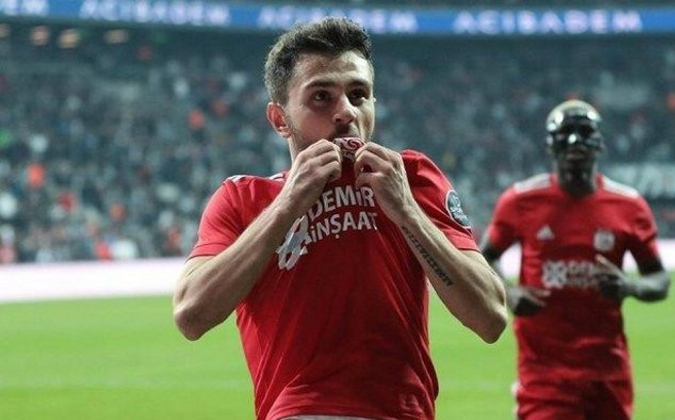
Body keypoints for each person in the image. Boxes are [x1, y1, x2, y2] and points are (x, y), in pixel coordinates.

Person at [172, 18, 507, 420]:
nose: (346, 111)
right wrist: (288, 203)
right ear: (279, 119)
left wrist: (406, 212)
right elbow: (191, 315)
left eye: (358, 94)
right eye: (321, 97)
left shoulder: (412, 178)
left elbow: (490, 317)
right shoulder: (243, 198)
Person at [481, 100, 671, 420]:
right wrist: (508, 292)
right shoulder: (520, 201)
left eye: (584, 132)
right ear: (550, 145)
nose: (574, 141)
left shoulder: (629, 206)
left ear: (600, 142)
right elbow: (485, 257)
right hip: (545, 374)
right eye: (565, 133)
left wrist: (630, 287)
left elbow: (660, 279)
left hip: (608, 372)